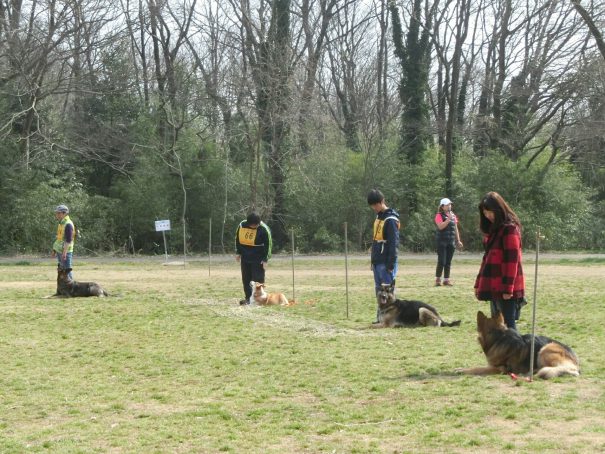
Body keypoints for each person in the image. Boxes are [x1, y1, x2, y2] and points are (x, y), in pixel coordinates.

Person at [474, 192, 525, 330]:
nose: (487, 215)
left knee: (508, 326)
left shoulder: (510, 229)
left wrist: (508, 288)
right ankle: (504, 352)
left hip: (506, 288)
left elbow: (512, 261)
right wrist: (479, 282)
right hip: (494, 285)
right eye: (485, 213)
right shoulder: (494, 231)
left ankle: (515, 352)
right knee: (498, 326)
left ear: (498, 209)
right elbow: (487, 259)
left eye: (489, 212)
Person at [368, 189, 400, 322]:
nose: (374, 208)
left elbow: (393, 243)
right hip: (377, 260)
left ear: (382, 202)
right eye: (372, 206)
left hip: (386, 262)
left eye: (375, 205)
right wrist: (373, 260)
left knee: (388, 292)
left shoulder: (391, 219)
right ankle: (380, 317)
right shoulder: (379, 217)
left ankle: (390, 318)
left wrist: (391, 263)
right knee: (379, 291)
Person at [235, 212, 273, 305]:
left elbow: (268, 245)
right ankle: (248, 299)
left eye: (256, 225)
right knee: (246, 279)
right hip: (245, 257)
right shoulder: (241, 225)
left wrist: (265, 259)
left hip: (258, 258)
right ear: (248, 223)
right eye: (253, 225)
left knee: (257, 279)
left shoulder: (264, 229)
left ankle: (260, 300)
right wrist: (238, 252)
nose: (255, 226)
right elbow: (237, 239)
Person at [434, 197, 463, 286]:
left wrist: (458, 240)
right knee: (441, 261)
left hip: (451, 242)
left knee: (448, 262)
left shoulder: (453, 215)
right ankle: (438, 280)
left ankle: (446, 280)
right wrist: (448, 219)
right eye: (447, 205)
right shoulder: (438, 215)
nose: (449, 206)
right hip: (441, 242)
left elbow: (456, 228)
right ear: (442, 206)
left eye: (450, 204)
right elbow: (440, 227)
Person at [52, 205, 75, 280]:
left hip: (66, 252)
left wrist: (64, 253)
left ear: (64, 213)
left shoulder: (68, 224)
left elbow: (68, 240)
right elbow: (59, 238)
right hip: (60, 251)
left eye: (59, 213)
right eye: (57, 213)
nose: (57, 215)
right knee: (62, 270)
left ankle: (72, 290)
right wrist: (54, 250)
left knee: (67, 271)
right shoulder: (61, 223)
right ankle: (65, 289)